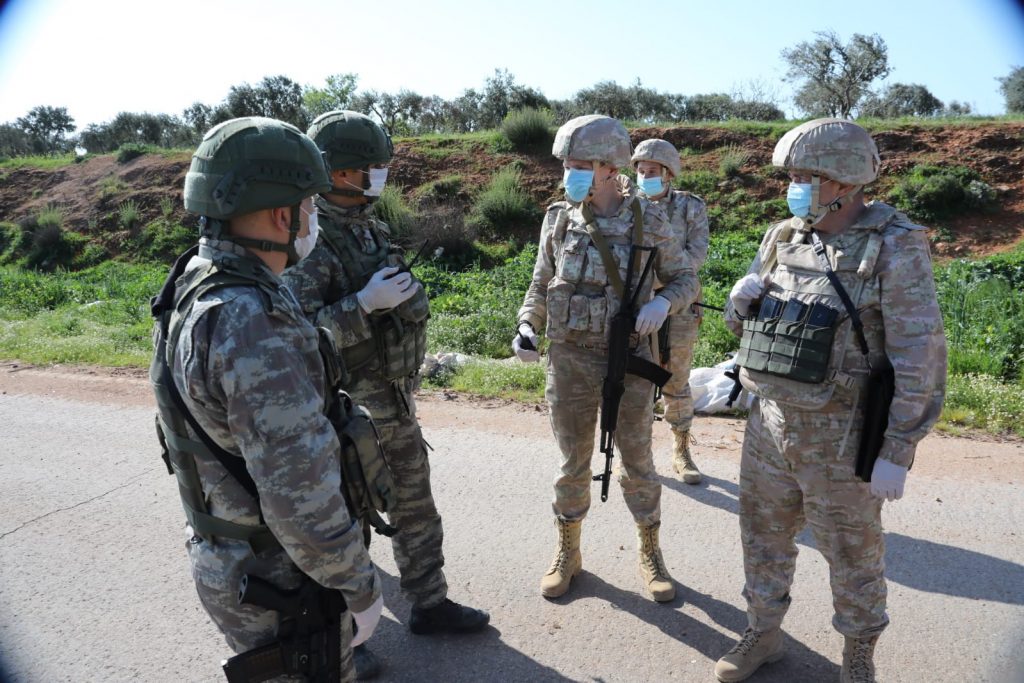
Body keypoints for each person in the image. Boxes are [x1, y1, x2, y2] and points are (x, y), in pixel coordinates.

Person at [149, 116, 382, 682]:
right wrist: (358, 584)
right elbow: (299, 494)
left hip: (232, 556)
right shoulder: (253, 323)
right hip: (280, 576)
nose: (313, 219)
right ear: (284, 214)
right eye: (309, 205)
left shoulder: (194, 281)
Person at [714, 119, 947, 683]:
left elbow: (921, 352)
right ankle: (763, 632)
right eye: (791, 175)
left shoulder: (895, 243)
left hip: (843, 436)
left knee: (852, 553)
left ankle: (859, 653)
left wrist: (898, 447)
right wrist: (737, 302)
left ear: (843, 180)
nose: (793, 186)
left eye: (804, 176)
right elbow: (744, 325)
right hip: (768, 422)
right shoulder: (783, 236)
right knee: (763, 536)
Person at [282, 110, 489, 675]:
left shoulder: (367, 226)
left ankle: (430, 603)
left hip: (392, 401)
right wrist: (361, 306)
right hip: (346, 411)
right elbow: (298, 338)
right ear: (341, 171)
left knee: (416, 505)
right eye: (370, 168)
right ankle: (346, 638)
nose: (380, 176)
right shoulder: (310, 240)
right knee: (350, 523)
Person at [513, 115, 700, 602]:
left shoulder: (650, 219)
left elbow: (686, 280)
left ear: (607, 166)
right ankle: (568, 553)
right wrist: (527, 325)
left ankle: (651, 553)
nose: (568, 173)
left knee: (637, 461)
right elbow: (540, 280)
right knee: (573, 461)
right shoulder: (559, 217)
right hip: (570, 357)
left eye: (577, 165)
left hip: (629, 359)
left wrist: (663, 303)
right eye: (566, 164)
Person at [632, 138, 709, 484]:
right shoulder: (628, 207)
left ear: (668, 174)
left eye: (651, 171)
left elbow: (697, 253)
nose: (644, 176)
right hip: (639, 306)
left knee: (676, 377)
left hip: (678, 305)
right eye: (640, 170)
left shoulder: (691, 207)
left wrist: (666, 286)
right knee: (638, 379)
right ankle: (636, 453)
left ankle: (681, 450)